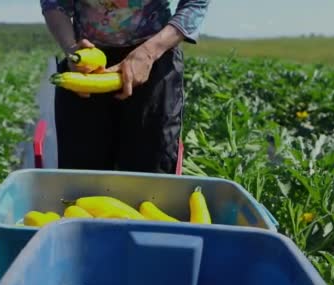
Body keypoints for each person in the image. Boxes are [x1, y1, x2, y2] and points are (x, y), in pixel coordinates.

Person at [41, 0, 210, 174]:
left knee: (150, 168)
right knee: (82, 170)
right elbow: (54, 3)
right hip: (86, 58)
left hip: (153, 56)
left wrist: (149, 52)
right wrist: (72, 50)